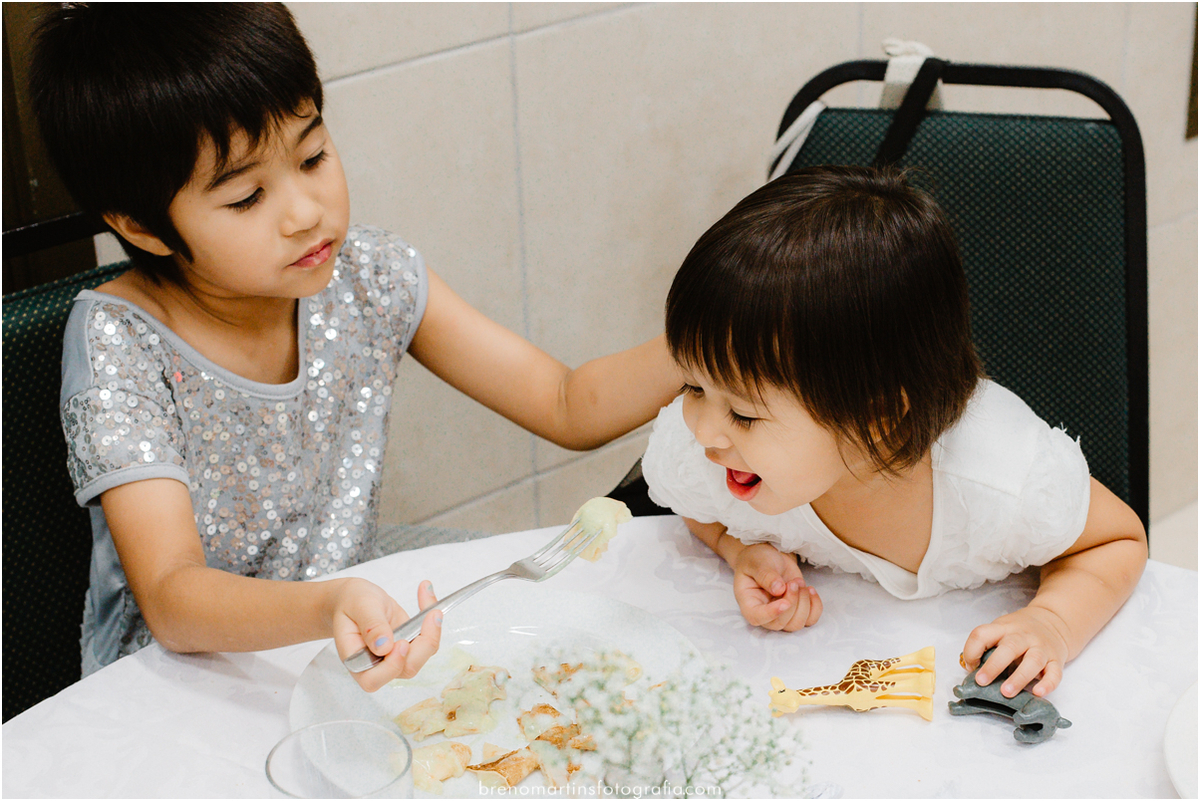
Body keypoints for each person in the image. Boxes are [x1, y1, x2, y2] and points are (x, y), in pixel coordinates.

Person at [31, 4, 678, 692]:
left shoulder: (370, 275)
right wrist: (325, 604)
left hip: (347, 647)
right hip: (176, 684)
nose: (305, 210)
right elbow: (172, 596)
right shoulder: (119, 339)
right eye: (248, 197)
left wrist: (718, 342)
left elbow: (566, 403)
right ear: (144, 226)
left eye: (312, 156)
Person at [641, 165, 1147, 698]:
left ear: (877, 415)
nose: (704, 432)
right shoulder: (726, 455)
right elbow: (694, 499)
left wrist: (1052, 623)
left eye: (743, 414)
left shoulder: (1001, 482)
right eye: (694, 388)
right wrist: (737, 549)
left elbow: (1117, 540)